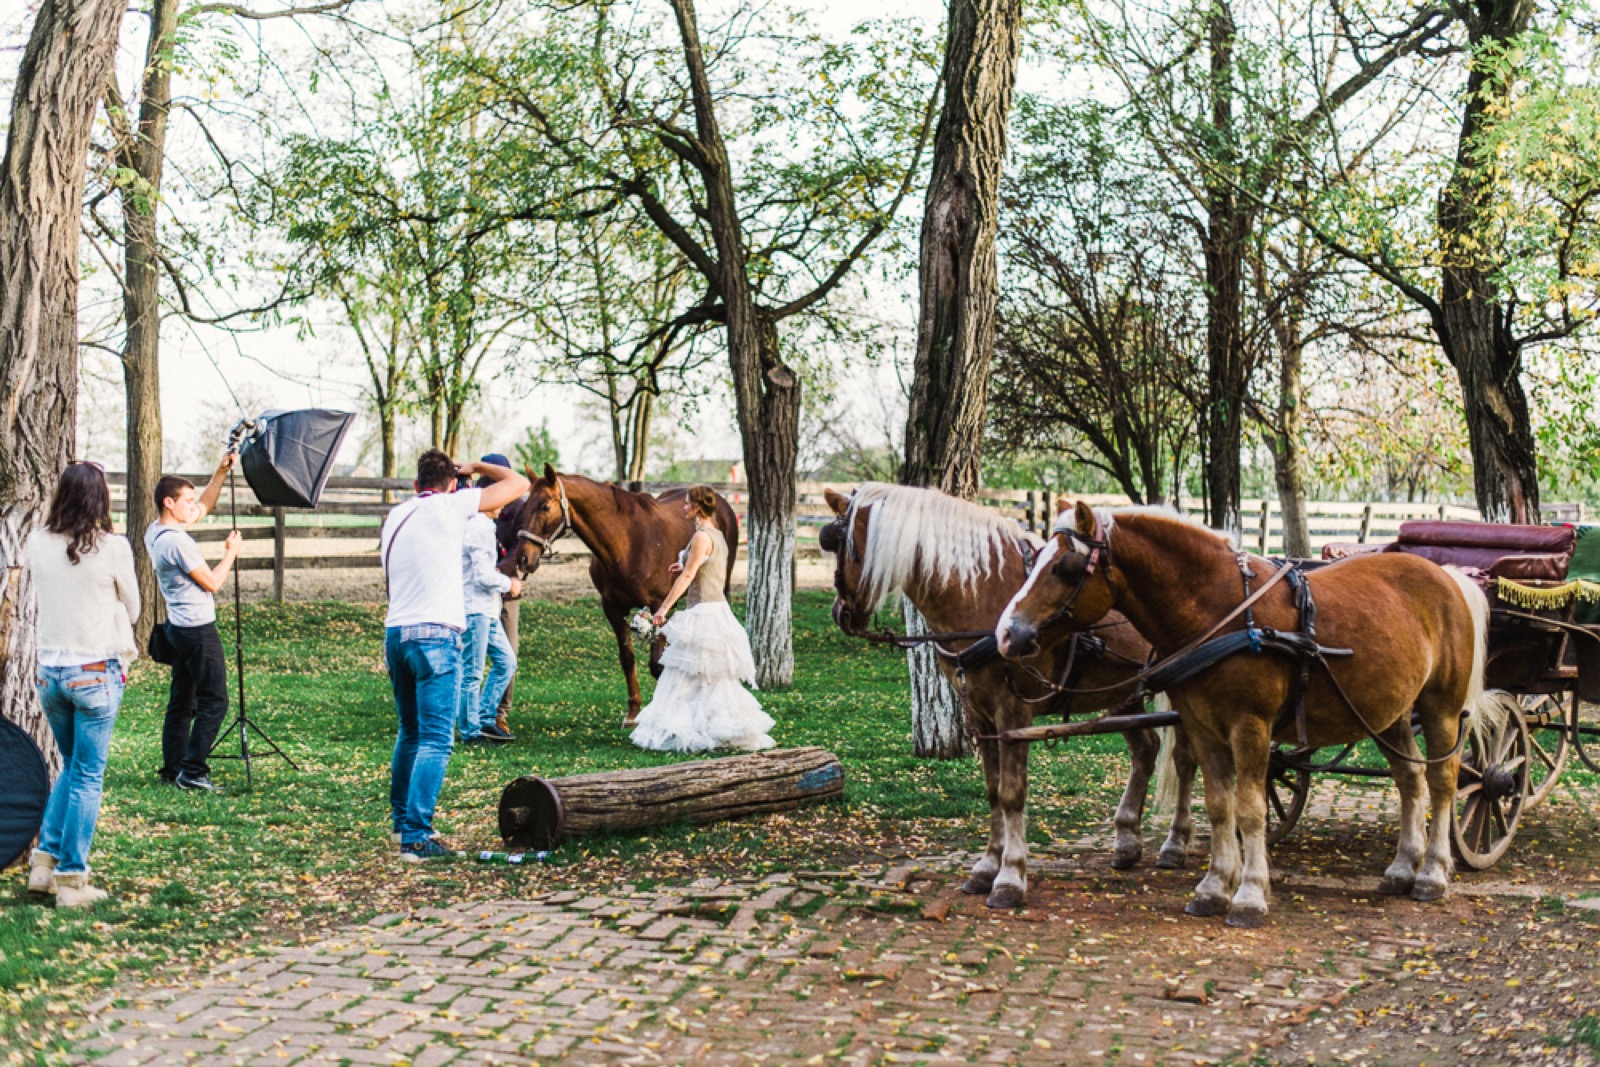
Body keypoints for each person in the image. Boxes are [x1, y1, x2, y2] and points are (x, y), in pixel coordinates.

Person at [382, 450, 529, 862]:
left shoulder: (396, 515)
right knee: (436, 739)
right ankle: (416, 838)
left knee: (409, 733)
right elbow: (519, 484)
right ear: (452, 483)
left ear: (416, 484)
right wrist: (477, 469)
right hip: (435, 635)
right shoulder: (452, 505)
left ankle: (401, 825)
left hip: (396, 633)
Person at [25, 460, 140, 907]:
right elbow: (134, 607)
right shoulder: (112, 547)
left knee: (71, 766)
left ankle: (43, 863)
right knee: (88, 774)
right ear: (100, 499)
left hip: (49, 672)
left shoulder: (38, 541)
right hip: (94, 670)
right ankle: (72, 878)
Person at [630, 485, 774, 753]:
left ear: (697, 507)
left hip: (704, 612)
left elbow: (688, 577)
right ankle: (708, 727)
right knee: (706, 676)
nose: (684, 507)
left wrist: (663, 609)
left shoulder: (700, 537)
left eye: (687, 503)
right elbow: (703, 566)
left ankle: (695, 729)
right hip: (718, 610)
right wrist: (683, 564)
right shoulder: (716, 535)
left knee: (689, 675)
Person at [146, 455, 241, 792]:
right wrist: (231, 552)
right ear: (169, 503)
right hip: (197, 630)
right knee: (215, 699)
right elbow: (212, 583)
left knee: (182, 701)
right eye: (186, 501)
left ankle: (173, 767)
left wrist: (220, 473)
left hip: (177, 628)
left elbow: (205, 505)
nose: (193, 506)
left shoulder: (156, 531)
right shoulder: (177, 542)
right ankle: (193, 770)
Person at [458, 473, 522, 744]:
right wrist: (510, 584)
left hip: (488, 610)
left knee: (507, 661)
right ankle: (470, 731)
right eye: (499, 498)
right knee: (472, 672)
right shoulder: (477, 527)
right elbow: (483, 576)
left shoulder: (485, 526)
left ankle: (485, 717)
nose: (504, 504)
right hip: (475, 609)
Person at [488, 454, 527, 735]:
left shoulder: (520, 507)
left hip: (506, 589)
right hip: (474, 590)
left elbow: (521, 548)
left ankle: (500, 712)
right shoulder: (475, 502)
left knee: (508, 651)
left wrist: (499, 573)